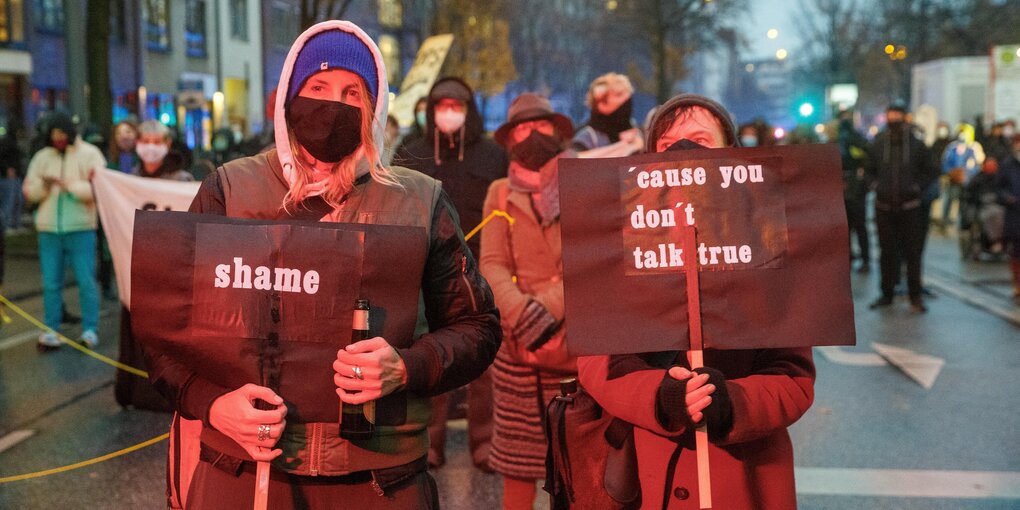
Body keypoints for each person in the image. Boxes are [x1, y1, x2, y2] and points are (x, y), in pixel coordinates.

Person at [145, 20, 500, 509]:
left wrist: (406, 366)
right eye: (318, 87)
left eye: (353, 92)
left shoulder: (419, 201)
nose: (333, 105)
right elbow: (165, 334)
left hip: (379, 479)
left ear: (374, 108)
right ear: (290, 98)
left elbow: (477, 326)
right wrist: (211, 404)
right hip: (243, 473)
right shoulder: (228, 191)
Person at [576, 93, 815, 510]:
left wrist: (732, 404)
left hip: (742, 479)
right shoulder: (617, 245)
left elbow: (793, 377)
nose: (683, 152)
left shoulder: (772, 243)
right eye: (668, 145)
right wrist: (661, 396)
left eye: (701, 141)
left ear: (732, 154)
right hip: (650, 475)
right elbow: (596, 362)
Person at [393, 77, 507, 471]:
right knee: (433, 353)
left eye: (456, 105)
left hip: (483, 263)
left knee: (485, 361)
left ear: (469, 109)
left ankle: (485, 441)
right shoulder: (413, 151)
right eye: (442, 105)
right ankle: (433, 440)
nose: (449, 112)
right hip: (429, 267)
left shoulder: (493, 155)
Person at [480, 93, 577, 510]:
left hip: (574, 340)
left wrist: (546, 310)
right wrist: (522, 315)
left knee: (579, 459)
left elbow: (588, 258)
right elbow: (492, 264)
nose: (531, 135)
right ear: (510, 139)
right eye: (521, 128)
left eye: (539, 126)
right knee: (518, 466)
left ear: (556, 131)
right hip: (516, 344)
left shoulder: (582, 183)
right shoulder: (500, 192)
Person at [23, 112, 105, 349]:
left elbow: (99, 188)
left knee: (86, 280)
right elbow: (29, 191)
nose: (57, 138)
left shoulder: (90, 154)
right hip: (49, 229)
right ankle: (52, 328)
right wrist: (44, 187)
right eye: (53, 134)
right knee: (50, 283)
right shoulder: (42, 157)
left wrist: (71, 187)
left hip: (80, 228)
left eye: (61, 133)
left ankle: (90, 329)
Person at [867, 102, 938, 313]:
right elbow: (868, 170)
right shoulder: (878, 144)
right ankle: (886, 293)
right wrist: (876, 186)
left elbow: (931, 171)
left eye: (897, 114)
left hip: (910, 207)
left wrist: (916, 188)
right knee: (886, 252)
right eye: (891, 114)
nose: (894, 118)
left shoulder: (917, 145)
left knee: (912, 253)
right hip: (884, 206)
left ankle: (914, 295)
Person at [572, 72, 643, 156]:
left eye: (627, 93)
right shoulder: (586, 137)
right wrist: (626, 146)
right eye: (618, 94)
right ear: (602, 104)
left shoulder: (636, 132)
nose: (626, 98)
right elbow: (575, 161)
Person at [837, 111, 871, 272]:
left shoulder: (845, 139)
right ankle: (857, 258)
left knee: (853, 227)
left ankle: (859, 258)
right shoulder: (847, 139)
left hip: (854, 189)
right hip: (849, 188)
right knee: (852, 227)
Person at [941, 123, 985, 228]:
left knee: (965, 202)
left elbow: (978, 165)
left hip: (969, 181)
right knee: (949, 200)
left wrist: (969, 175)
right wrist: (951, 173)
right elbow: (946, 163)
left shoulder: (974, 148)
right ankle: (945, 221)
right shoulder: (952, 147)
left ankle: (963, 222)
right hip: (954, 180)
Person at [998, 133, 1020, 301]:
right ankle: (1017, 284)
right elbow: (999, 188)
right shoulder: (1008, 165)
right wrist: (1007, 198)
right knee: (1016, 252)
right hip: (1015, 214)